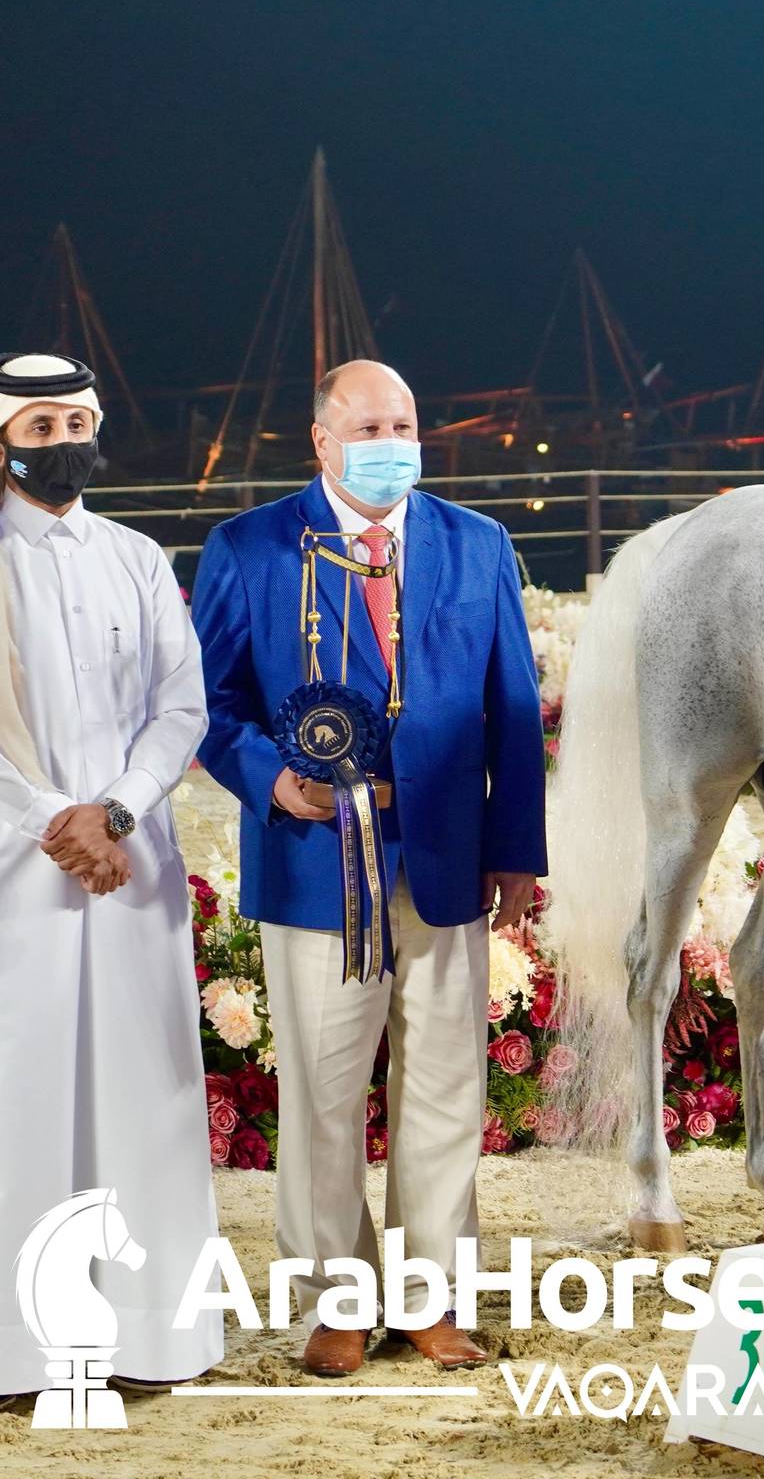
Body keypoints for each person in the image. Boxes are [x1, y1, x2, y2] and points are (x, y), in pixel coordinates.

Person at [191, 359, 546, 1377]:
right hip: (313, 864)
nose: (392, 438)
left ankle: (432, 1301)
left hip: (446, 865)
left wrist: (517, 850)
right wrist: (271, 779)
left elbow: (513, 711)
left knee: (443, 1085)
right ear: (321, 439)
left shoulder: (478, 545)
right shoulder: (248, 548)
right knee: (321, 1090)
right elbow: (208, 706)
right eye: (369, 423)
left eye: (405, 421)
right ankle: (338, 1301)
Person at [0, 352, 222, 1394]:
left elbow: (183, 702)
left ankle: (148, 1339)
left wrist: (119, 808)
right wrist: (57, 821)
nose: (64, 445)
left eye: (78, 423)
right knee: (18, 1099)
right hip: (19, 874)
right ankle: (17, 1351)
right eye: (40, 427)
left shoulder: (134, 554)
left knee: (146, 1098)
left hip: (129, 866)